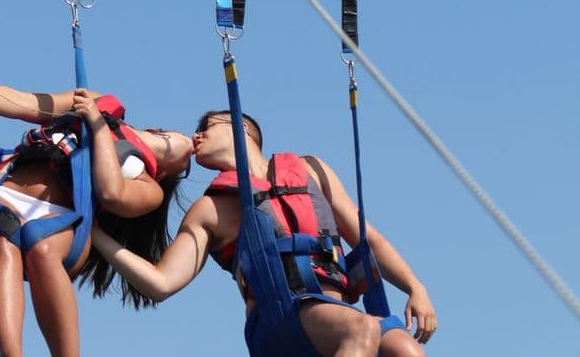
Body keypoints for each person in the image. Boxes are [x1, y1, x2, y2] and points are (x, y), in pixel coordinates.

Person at [92, 110, 436, 357]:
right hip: (278, 322)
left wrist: (414, 286)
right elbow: (160, 283)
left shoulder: (312, 170)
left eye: (207, 127)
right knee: (362, 329)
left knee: (406, 350)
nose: (196, 136)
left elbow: (366, 237)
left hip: (335, 314)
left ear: (241, 126)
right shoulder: (211, 210)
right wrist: (94, 234)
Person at [0, 59, 192, 357]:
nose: (187, 139)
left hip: (59, 222)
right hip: (7, 198)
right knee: (4, 239)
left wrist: (98, 127)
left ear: (170, 170)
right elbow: (28, 104)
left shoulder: (149, 188)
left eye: (184, 150)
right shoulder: (96, 102)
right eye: (171, 131)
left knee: (42, 250)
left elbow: (111, 193)